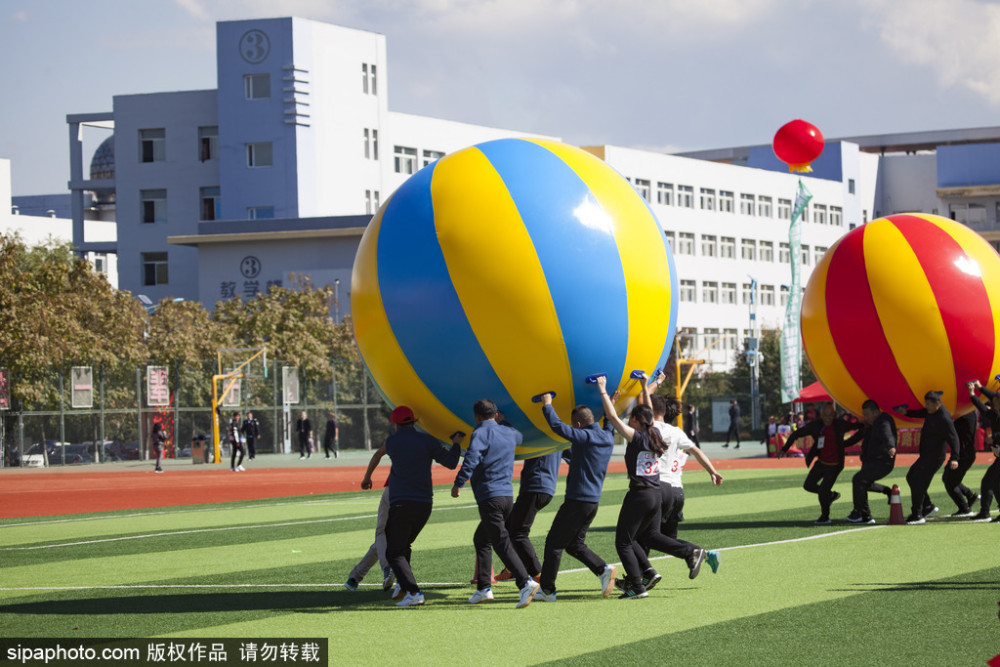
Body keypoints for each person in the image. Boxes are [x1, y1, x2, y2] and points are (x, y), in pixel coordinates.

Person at [595, 375, 707, 600]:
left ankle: (636, 586)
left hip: (640, 495)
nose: (629, 421)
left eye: (632, 418)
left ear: (636, 421)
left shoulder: (636, 437)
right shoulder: (655, 432)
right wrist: (644, 386)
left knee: (624, 541)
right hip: (656, 494)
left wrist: (603, 390)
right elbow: (646, 409)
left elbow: (612, 417)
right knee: (649, 536)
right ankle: (688, 552)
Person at [452, 399, 540, 609]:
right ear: (495, 414)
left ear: (477, 417)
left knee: (501, 542)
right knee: (482, 539)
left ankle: (524, 582)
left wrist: (458, 482)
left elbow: (472, 457)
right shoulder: (508, 432)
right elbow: (519, 436)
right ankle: (483, 588)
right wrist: (505, 423)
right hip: (507, 497)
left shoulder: (480, 432)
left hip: (489, 496)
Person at [532, 392, 618, 602]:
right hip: (592, 503)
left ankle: (547, 590)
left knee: (553, 544)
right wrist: (611, 403)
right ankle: (602, 569)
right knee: (574, 544)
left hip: (577, 502)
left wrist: (547, 404)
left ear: (578, 425)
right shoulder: (607, 436)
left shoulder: (584, 436)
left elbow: (558, 427)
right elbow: (610, 422)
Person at [382, 406, 462, 607]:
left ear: (395, 422)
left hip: (402, 502)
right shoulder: (427, 441)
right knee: (404, 545)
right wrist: (456, 444)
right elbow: (452, 463)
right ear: (414, 421)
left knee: (394, 552)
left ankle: (414, 592)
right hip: (424, 503)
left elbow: (394, 450)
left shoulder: (392, 442)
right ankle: (404, 584)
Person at [641, 388, 723, 579]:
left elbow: (645, 405)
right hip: (677, 491)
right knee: (668, 540)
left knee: (644, 536)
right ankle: (704, 553)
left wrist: (647, 384)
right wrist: (712, 471)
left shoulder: (652, 427)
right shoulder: (677, 432)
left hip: (658, 487)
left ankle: (641, 576)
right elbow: (696, 451)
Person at [494, 441, 561, 583]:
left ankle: (537, 574)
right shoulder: (556, 435)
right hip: (544, 488)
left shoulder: (538, 433)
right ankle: (513, 567)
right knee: (508, 524)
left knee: (518, 533)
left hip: (536, 486)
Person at [779, 404, 852, 525]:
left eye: (830, 415)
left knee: (823, 489)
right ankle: (831, 495)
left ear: (833, 415)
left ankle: (825, 517)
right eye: (825, 415)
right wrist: (784, 449)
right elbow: (796, 434)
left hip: (835, 465)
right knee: (808, 485)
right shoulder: (816, 426)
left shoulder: (839, 424)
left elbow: (859, 427)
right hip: (821, 463)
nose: (828, 418)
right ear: (821, 416)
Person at [898, 391, 960, 525]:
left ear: (938, 404)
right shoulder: (932, 411)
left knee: (919, 482)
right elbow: (922, 412)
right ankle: (927, 506)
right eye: (926, 404)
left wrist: (955, 457)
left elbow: (954, 438)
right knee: (911, 477)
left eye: (929, 405)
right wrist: (907, 413)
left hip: (934, 457)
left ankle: (917, 514)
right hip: (926, 455)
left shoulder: (944, 418)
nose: (927, 407)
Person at [343, 444, 395, 593]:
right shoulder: (425, 439)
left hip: (394, 490)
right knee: (384, 539)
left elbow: (378, 453)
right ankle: (354, 578)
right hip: (416, 495)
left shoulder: (396, 440)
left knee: (381, 533)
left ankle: (387, 568)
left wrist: (367, 477)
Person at [844, 399, 897, 524]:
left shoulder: (883, 421)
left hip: (882, 462)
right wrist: (840, 445)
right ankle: (865, 515)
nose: (865, 418)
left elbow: (887, 434)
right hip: (870, 461)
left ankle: (860, 513)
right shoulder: (870, 424)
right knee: (863, 483)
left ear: (875, 412)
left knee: (858, 480)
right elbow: (857, 437)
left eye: (867, 414)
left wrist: (891, 446)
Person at [968, 381, 1000, 522]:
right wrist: (975, 392)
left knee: (990, 481)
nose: (991, 402)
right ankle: (985, 512)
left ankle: (985, 512)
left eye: (994, 401)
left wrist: (994, 437)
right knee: (992, 482)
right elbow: (984, 410)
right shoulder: (996, 414)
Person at [942, 407, 979, 517]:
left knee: (950, 482)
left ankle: (964, 508)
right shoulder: (969, 412)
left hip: (963, 454)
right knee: (949, 478)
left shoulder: (965, 414)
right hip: (964, 453)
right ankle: (970, 495)